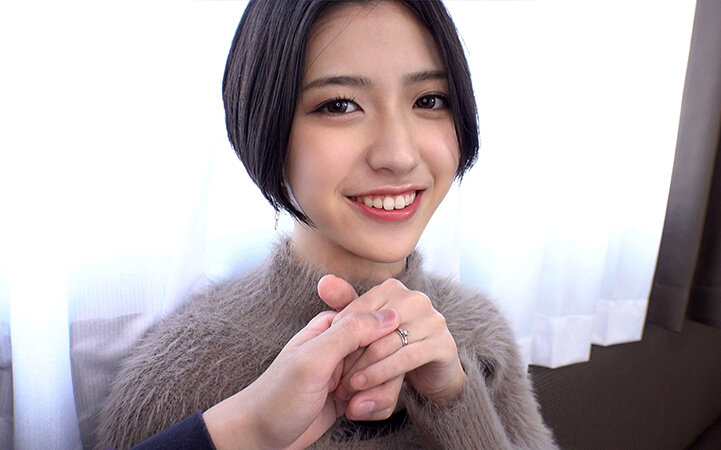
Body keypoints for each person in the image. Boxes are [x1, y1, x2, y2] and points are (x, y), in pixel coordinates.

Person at [97, 0, 555, 448]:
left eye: (429, 100)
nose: (398, 155)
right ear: (266, 124)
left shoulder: (480, 335)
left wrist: (456, 401)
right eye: (339, 105)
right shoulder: (179, 378)